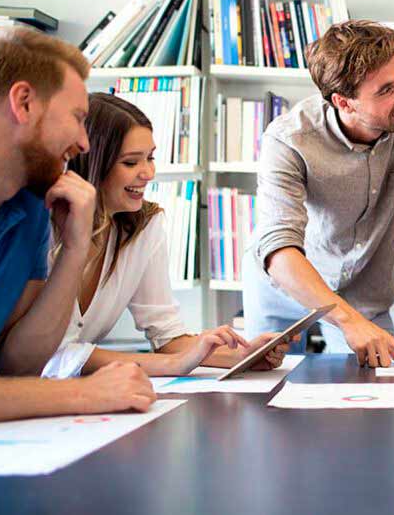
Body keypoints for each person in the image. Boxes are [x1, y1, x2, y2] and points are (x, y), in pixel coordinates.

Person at [0, 27, 154, 427]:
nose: (85, 143)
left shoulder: (29, 204)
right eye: (78, 118)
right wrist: (83, 393)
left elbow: (15, 364)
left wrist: (75, 249)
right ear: (24, 103)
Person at [243, 20, 394, 368]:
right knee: (266, 395)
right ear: (343, 102)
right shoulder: (288, 138)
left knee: (382, 391)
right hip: (286, 287)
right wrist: (349, 322)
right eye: (386, 90)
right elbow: (279, 246)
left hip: (363, 289)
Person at [41, 93, 293, 378]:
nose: (148, 173)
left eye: (150, 158)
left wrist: (241, 355)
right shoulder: (44, 229)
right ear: (93, 163)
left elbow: (168, 337)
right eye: (130, 162)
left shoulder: (144, 226)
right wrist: (174, 365)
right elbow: (56, 356)